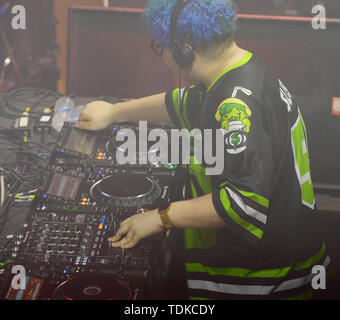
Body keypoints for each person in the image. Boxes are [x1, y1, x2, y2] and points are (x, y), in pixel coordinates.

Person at [77, 0, 331, 300]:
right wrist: (114, 112)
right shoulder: (240, 71)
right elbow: (183, 102)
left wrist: (159, 217)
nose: (163, 57)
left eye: (161, 47)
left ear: (184, 50)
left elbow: (240, 202)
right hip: (277, 256)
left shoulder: (236, 105)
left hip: (262, 279)